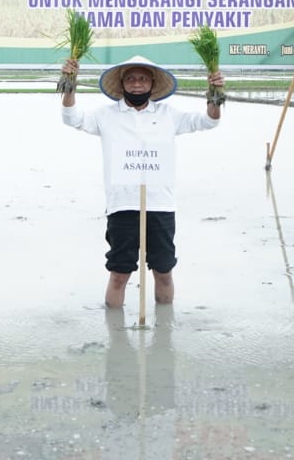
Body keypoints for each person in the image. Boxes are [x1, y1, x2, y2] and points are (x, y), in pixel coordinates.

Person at [60, 55, 223, 307]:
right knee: (119, 275)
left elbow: (209, 121)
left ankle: (164, 336)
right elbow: (72, 118)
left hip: (160, 206)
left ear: (152, 83)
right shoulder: (106, 115)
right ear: (123, 83)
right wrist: (70, 82)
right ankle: (116, 338)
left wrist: (215, 91)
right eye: (132, 79)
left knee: (163, 272)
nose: (137, 84)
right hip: (122, 205)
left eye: (143, 79)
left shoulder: (169, 114)